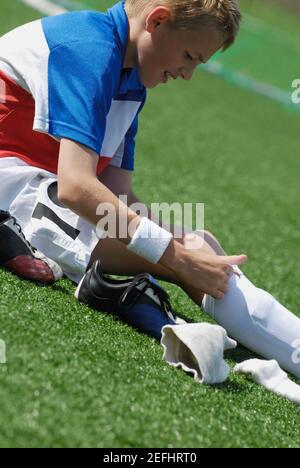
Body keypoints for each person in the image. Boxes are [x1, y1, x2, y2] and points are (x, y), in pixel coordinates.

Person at [1, 0, 299, 379]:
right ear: (157, 20)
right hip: (13, 179)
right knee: (169, 251)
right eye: (190, 56)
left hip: (39, 182)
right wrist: (173, 255)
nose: (188, 73)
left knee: (195, 246)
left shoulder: (129, 78)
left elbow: (118, 197)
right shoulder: (87, 48)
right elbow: (78, 188)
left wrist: (184, 246)